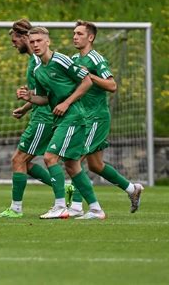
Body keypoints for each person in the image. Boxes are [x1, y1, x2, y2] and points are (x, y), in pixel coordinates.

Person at [17, 26, 105, 220]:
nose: (35, 45)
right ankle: (96, 209)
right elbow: (45, 99)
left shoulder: (61, 60)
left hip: (74, 116)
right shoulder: (39, 69)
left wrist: (66, 103)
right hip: (62, 119)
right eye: (32, 42)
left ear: (48, 41)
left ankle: (59, 206)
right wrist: (29, 97)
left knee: (50, 157)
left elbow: (87, 82)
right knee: (73, 166)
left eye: (39, 41)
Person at [68, 20, 144, 216]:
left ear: (90, 37)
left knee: (76, 158)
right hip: (82, 117)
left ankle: (77, 207)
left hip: (96, 118)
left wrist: (91, 77)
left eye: (79, 33)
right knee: (95, 165)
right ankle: (132, 189)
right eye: (74, 33)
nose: (75, 36)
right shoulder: (74, 58)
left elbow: (112, 86)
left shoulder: (96, 59)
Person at [0, 19, 64, 219]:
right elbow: (38, 93)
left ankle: (16, 209)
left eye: (15, 41)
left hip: (43, 118)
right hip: (39, 115)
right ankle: (63, 188)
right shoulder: (37, 61)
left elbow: (48, 93)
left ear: (25, 37)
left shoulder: (40, 61)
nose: (14, 45)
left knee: (18, 160)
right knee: (24, 163)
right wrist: (24, 108)